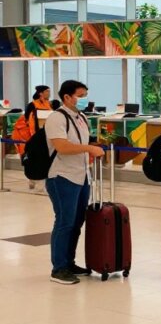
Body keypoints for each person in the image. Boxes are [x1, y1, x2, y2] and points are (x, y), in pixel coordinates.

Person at [45, 80, 106, 285]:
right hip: (62, 177)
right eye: (80, 95)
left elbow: (82, 144)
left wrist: (92, 149)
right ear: (67, 97)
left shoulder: (81, 117)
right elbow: (62, 146)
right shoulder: (57, 118)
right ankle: (58, 268)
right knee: (64, 221)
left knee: (77, 222)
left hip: (81, 176)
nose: (84, 99)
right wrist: (89, 149)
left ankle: (69, 262)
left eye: (86, 94)